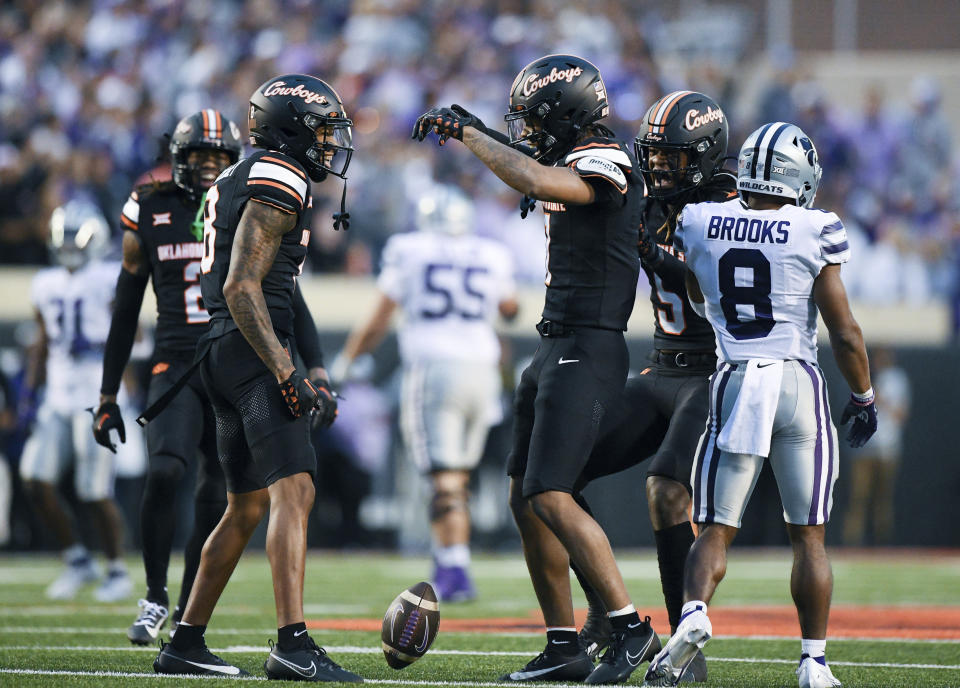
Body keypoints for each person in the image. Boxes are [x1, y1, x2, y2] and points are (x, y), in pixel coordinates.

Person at [413, 54, 657, 684]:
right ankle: (563, 644)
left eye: (534, 121)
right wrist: (481, 131)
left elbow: (544, 182)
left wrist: (471, 135)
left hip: (591, 345)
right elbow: (537, 170)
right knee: (528, 496)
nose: (526, 132)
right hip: (554, 344)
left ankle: (629, 625)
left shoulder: (608, 159)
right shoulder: (573, 155)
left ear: (567, 114)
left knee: (551, 490)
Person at [642, 123, 878, 688]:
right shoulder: (816, 226)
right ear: (798, 179)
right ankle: (814, 663)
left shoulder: (698, 220)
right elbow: (844, 332)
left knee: (715, 528)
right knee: (810, 534)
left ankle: (695, 614)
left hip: (737, 376)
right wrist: (865, 395)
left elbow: (699, 299)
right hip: (797, 379)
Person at [151, 74, 360, 682]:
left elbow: (269, 290)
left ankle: (184, 640)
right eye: (321, 130)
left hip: (220, 350)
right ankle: (292, 644)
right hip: (248, 350)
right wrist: (285, 369)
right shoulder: (280, 173)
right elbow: (245, 286)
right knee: (294, 492)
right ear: (289, 127)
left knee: (243, 506)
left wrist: (303, 364)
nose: (328, 144)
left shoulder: (239, 175)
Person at [569, 91, 735, 682]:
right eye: (655, 155)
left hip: (711, 369)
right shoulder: (645, 199)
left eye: (675, 157)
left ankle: (681, 648)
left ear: (708, 156)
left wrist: (653, 254)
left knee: (666, 492)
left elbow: (706, 290)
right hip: (660, 364)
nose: (660, 167)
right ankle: (604, 612)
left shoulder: (730, 207)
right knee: (553, 478)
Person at [91, 110, 244, 645]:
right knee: (164, 470)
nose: (208, 166)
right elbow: (126, 303)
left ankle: (185, 607)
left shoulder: (242, 207)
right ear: (177, 159)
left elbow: (287, 296)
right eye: (198, 156)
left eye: (218, 157)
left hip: (229, 361)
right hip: (174, 361)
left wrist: (311, 366)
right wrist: (108, 393)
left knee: (215, 490)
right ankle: (154, 596)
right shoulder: (149, 206)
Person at [332, 184, 519, 602]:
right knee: (458, 476)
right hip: (482, 368)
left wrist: (346, 362)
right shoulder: (491, 253)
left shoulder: (410, 249)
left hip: (435, 367)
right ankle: (450, 559)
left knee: (445, 478)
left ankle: (453, 569)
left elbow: (381, 315)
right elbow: (510, 310)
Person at [19, 200, 137, 602]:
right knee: (34, 478)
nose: (69, 245)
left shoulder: (107, 277)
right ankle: (77, 559)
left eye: (76, 237)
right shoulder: (45, 282)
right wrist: (28, 390)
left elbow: (131, 334)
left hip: (95, 395)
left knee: (94, 490)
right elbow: (42, 341)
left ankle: (117, 568)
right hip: (57, 395)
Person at [841, 347, 909, 546]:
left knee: (883, 499)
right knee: (858, 497)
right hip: (864, 447)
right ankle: (852, 543)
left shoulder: (898, 380)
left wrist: (880, 399)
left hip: (888, 448)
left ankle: (882, 543)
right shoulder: (862, 377)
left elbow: (901, 415)